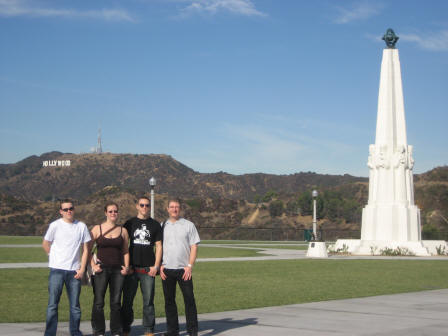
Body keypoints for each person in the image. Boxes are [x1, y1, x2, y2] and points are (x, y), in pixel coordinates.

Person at [42, 199, 91, 336]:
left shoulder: (81, 226)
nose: (69, 211)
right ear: (61, 211)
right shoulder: (55, 226)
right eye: (65, 209)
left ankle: (75, 332)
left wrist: (82, 269)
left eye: (71, 208)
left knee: (75, 306)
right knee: (53, 304)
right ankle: (50, 333)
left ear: (74, 209)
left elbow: (86, 249)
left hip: (74, 272)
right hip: (57, 271)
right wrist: (53, 256)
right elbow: (46, 243)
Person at [122, 196, 163, 336]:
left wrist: (156, 266)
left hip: (148, 270)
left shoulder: (155, 225)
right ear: (137, 206)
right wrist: (126, 266)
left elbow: (159, 246)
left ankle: (149, 330)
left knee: (148, 303)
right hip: (132, 270)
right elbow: (123, 245)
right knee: (127, 301)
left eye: (147, 205)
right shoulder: (129, 223)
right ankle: (125, 328)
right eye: (142, 205)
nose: (144, 207)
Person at [160, 198, 200, 336]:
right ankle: (172, 331)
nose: (174, 209)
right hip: (167, 270)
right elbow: (158, 247)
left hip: (184, 270)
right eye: (171, 207)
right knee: (169, 302)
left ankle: (192, 331)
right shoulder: (162, 225)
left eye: (176, 207)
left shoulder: (188, 225)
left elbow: (194, 246)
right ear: (167, 209)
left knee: (189, 300)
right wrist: (160, 265)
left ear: (180, 208)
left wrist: (190, 266)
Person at [90, 202, 130, 336]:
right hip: (101, 270)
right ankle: (99, 330)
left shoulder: (123, 231)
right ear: (105, 213)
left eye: (115, 211)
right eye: (111, 211)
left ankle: (116, 331)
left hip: (118, 270)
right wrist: (93, 265)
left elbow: (125, 251)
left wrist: (126, 267)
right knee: (99, 302)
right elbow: (86, 249)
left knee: (116, 302)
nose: (113, 213)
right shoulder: (97, 229)